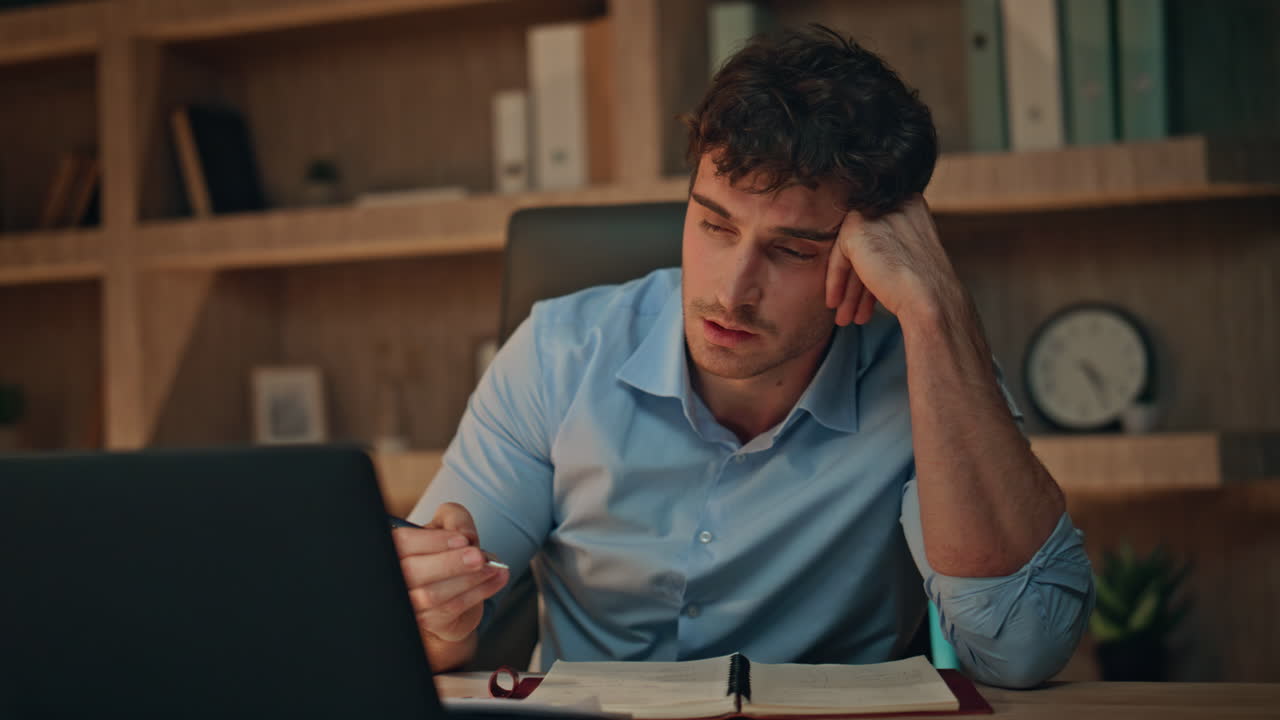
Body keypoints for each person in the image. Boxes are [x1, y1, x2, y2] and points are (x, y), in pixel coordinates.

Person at [392, 25, 1094, 689]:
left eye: (790, 250)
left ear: (867, 253)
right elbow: (416, 633)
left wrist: (935, 307)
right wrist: (439, 614)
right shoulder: (559, 354)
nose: (732, 291)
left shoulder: (929, 375)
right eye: (714, 225)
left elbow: (1021, 648)